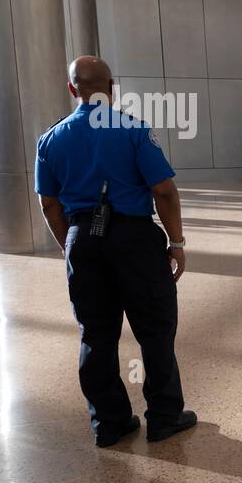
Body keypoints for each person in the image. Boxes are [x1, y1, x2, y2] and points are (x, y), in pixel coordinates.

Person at [34, 55, 197, 447]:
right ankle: (163, 417)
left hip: (82, 240)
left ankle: (109, 423)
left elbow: (48, 204)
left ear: (73, 89)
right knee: (155, 331)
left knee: (95, 334)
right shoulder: (133, 130)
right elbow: (163, 191)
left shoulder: (51, 139)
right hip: (135, 241)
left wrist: (69, 246)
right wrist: (175, 242)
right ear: (112, 87)